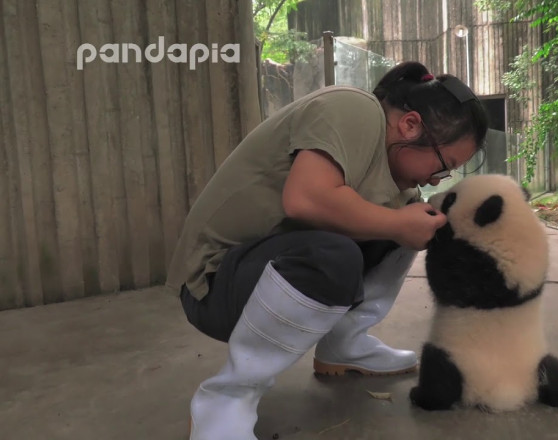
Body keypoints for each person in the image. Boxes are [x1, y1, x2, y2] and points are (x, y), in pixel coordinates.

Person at [166, 61, 488, 439]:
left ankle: (343, 345)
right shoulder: (351, 107)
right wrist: (399, 224)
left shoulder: (392, 175)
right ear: (410, 124)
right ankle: (227, 398)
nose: (438, 178)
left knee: (414, 216)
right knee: (340, 253)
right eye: (444, 164)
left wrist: (410, 224)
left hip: (263, 273)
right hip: (214, 283)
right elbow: (305, 200)